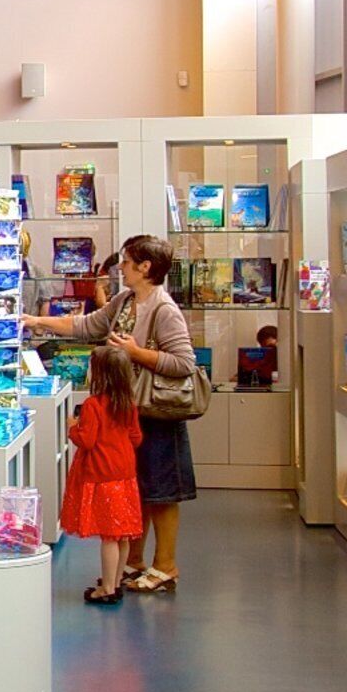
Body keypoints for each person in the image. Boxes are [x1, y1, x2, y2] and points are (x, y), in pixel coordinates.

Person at [109, 235, 201, 593]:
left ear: (145, 267)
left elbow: (184, 363)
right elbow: (88, 325)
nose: (121, 267)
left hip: (159, 412)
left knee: (162, 491)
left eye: (127, 261)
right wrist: (34, 320)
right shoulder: (126, 301)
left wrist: (137, 353)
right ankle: (135, 560)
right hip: (134, 412)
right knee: (140, 488)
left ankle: (165, 565)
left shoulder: (164, 309)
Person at [59, 341, 145, 603]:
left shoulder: (93, 405)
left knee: (108, 535)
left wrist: (72, 426)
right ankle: (116, 580)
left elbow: (86, 440)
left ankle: (106, 589)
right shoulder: (127, 403)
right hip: (125, 474)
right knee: (121, 533)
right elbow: (136, 437)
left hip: (101, 474)